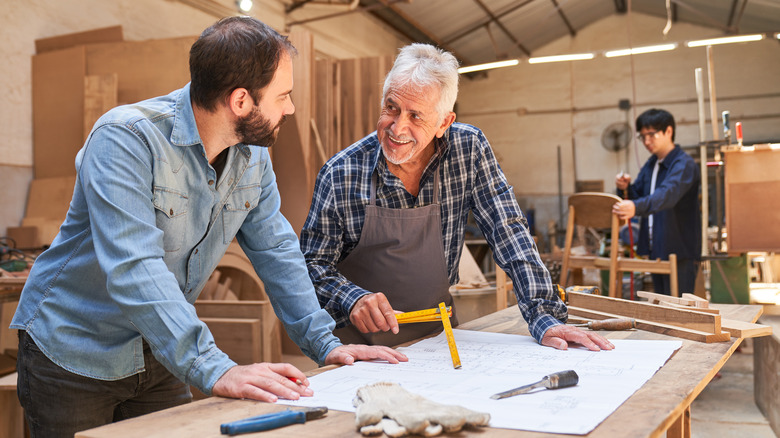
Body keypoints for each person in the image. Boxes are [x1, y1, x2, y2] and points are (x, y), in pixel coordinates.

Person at [11, 17, 406, 437]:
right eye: (284, 96)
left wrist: (326, 344)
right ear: (240, 101)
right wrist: (213, 367)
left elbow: (277, 252)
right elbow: (134, 269)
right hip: (74, 352)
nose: (290, 108)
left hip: (159, 350)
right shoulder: (124, 139)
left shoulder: (251, 157)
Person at [300, 43, 613, 352]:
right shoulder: (340, 172)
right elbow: (311, 264)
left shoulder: (468, 150)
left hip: (435, 340)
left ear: (443, 123)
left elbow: (509, 230)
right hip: (357, 348)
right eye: (391, 107)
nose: (397, 128)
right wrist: (351, 297)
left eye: (416, 116)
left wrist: (544, 315)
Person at [613, 108, 701, 295]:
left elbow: (666, 195)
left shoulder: (684, 164)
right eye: (642, 136)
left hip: (679, 252)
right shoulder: (652, 164)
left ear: (668, 131)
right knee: (660, 310)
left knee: (678, 312)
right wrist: (625, 188)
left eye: (651, 135)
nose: (646, 141)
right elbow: (638, 194)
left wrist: (635, 207)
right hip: (656, 250)